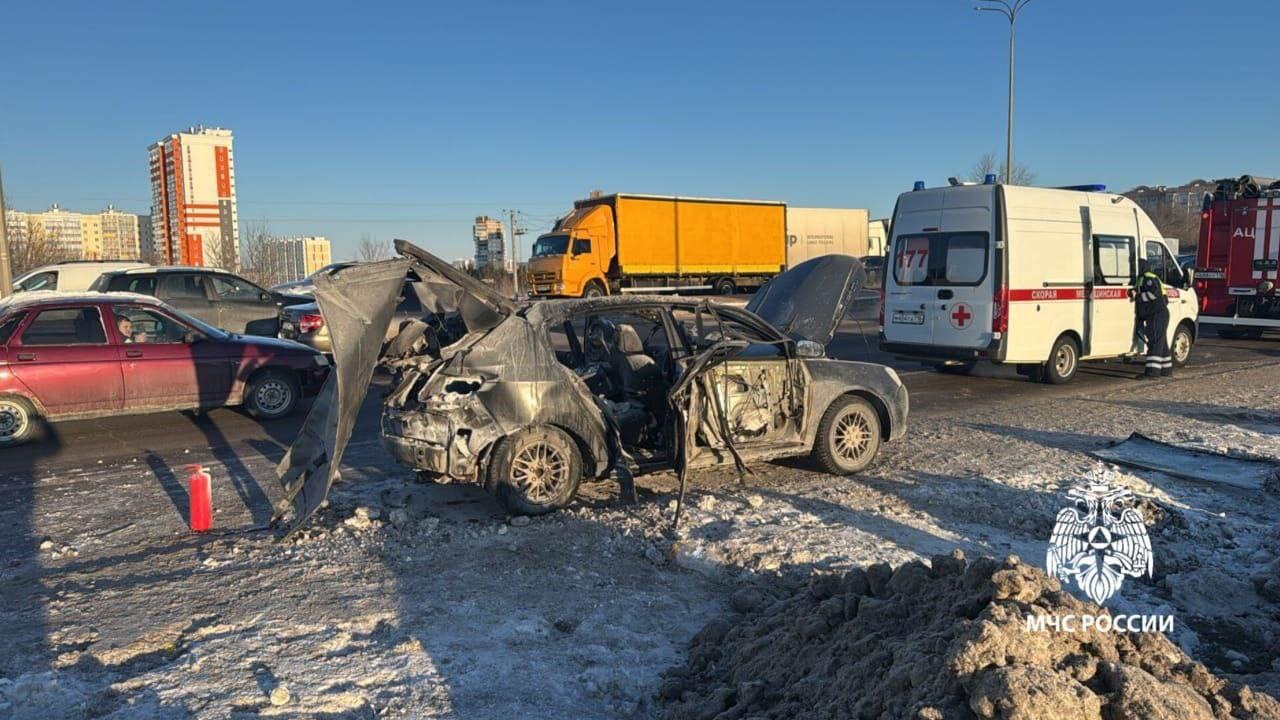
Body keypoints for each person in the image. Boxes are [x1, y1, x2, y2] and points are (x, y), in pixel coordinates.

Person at [1132, 260, 1171, 378]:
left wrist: (1138, 296)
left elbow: (1154, 294)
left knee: (1154, 343)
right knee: (1161, 343)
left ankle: (1152, 373)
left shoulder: (1148, 278)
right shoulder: (1146, 277)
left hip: (1156, 314)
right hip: (1160, 313)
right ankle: (1166, 370)